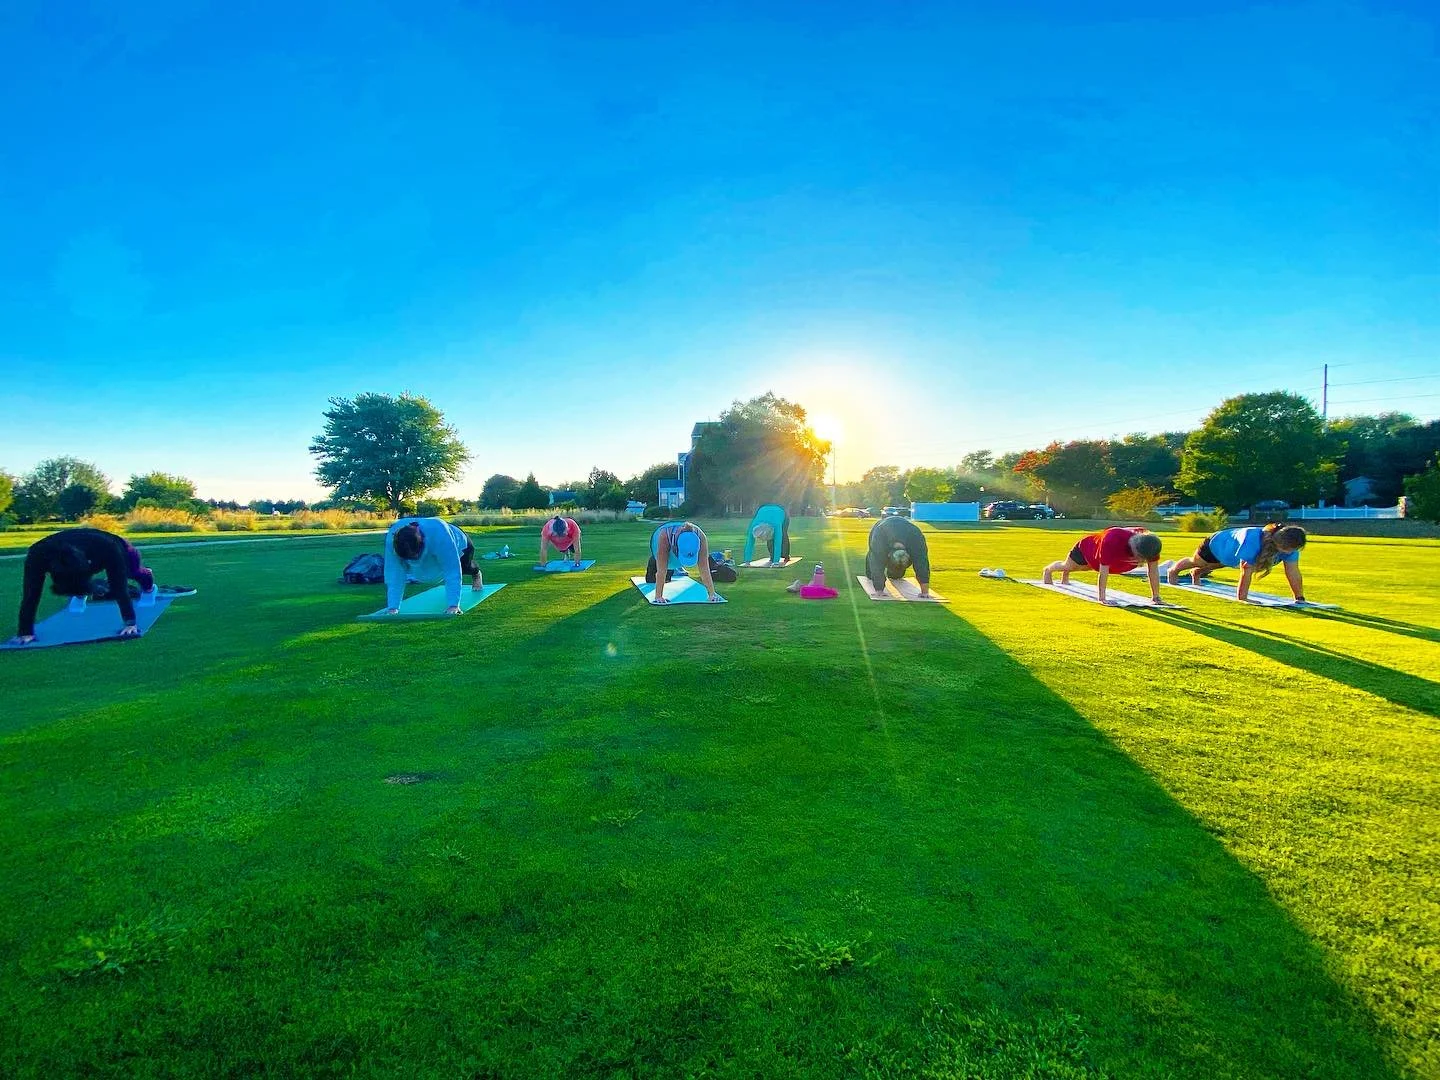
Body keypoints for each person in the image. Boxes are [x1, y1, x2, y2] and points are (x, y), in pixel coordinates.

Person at [9, 527, 155, 644]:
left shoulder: (108, 547)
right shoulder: (37, 555)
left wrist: (130, 623)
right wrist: (25, 632)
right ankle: (80, 592)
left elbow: (119, 587)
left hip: (114, 546)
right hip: (80, 556)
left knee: (134, 572)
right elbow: (31, 593)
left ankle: (148, 583)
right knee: (72, 581)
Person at [1168, 523, 1308, 602]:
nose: (1290, 552)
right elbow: (1246, 571)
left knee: (1218, 564)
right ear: (1278, 542)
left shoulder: (1290, 549)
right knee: (1198, 562)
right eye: (1288, 549)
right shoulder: (1252, 540)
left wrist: (1299, 598)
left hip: (1228, 558)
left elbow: (1293, 572)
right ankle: (1173, 570)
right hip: (1216, 545)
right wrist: (1243, 598)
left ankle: (1196, 574)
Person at [384, 518, 482, 616]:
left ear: (421, 540)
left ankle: (476, 573)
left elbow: (452, 570)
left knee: (465, 567)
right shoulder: (392, 540)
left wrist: (453, 605)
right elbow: (394, 574)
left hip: (460, 541)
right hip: (431, 539)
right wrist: (393, 608)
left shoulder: (440, 535)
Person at [1043, 526, 1162, 604]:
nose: (1141, 561)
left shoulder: (1150, 544)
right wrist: (1102, 598)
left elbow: (1153, 571)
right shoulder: (1112, 539)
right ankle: (1048, 570)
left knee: (1082, 568)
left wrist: (1156, 597)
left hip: (1110, 559)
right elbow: (1103, 572)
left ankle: (1066, 575)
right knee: (1069, 566)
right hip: (1086, 549)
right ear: (1134, 547)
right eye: (1139, 557)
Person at [645, 521, 721, 603]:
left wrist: (712, 594)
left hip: (675, 552)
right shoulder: (664, 536)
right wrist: (658, 596)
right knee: (651, 579)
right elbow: (661, 571)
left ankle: (673, 570)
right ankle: (655, 564)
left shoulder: (700, 537)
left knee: (669, 575)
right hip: (663, 549)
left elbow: (704, 569)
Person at [864, 516, 932, 598]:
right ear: (888, 555)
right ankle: (876, 575)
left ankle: (896, 572)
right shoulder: (880, 538)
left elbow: (922, 563)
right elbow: (876, 562)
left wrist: (925, 592)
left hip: (906, 529)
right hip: (880, 527)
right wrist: (879, 590)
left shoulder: (916, 539)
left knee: (896, 577)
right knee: (871, 566)